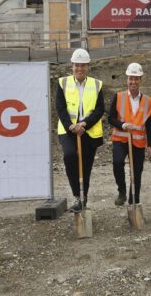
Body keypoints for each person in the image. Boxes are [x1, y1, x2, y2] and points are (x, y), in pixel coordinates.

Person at [56, 48, 105, 213]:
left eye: (83, 65)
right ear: (72, 66)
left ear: (88, 67)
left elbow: (99, 110)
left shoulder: (96, 85)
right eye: (77, 65)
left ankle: (83, 199)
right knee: (70, 156)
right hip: (68, 130)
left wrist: (84, 124)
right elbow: (60, 108)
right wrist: (71, 126)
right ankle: (77, 195)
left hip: (88, 132)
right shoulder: (63, 83)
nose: (80, 69)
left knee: (86, 166)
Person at [108, 62, 151, 207]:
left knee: (137, 172)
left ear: (141, 80)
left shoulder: (148, 101)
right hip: (120, 139)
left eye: (136, 78)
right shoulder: (119, 96)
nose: (133, 82)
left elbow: (149, 124)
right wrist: (122, 125)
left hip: (138, 142)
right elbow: (110, 118)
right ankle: (121, 191)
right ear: (127, 79)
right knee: (117, 162)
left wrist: (150, 144)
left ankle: (134, 199)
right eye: (131, 78)